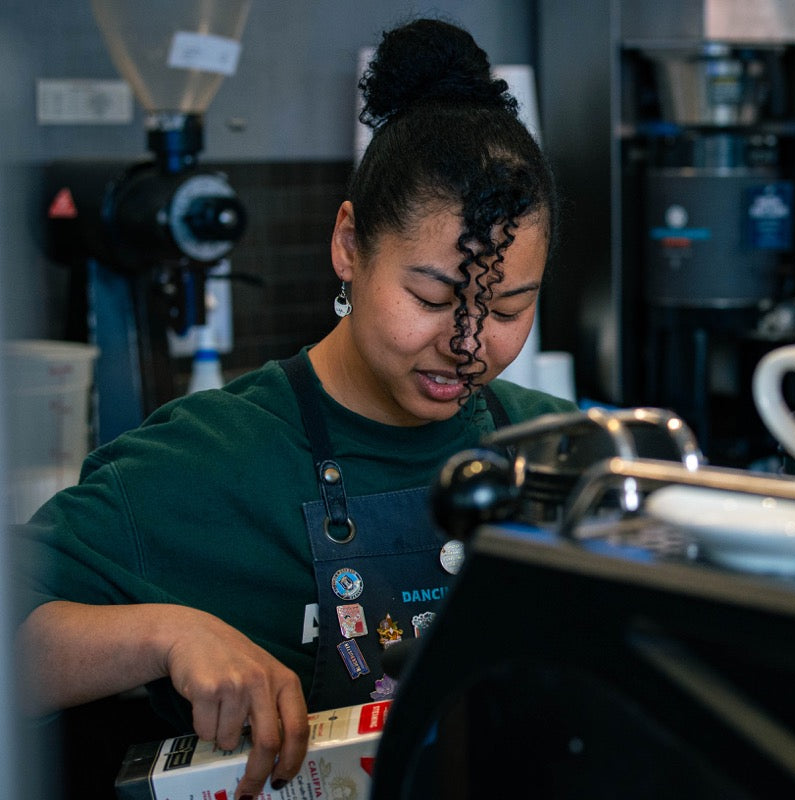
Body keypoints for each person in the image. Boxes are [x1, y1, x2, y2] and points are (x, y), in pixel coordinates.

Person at [14, 17, 573, 800]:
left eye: (508, 308)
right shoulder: (209, 460)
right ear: (349, 244)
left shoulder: (555, 452)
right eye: (431, 297)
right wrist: (166, 633)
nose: (468, 346)